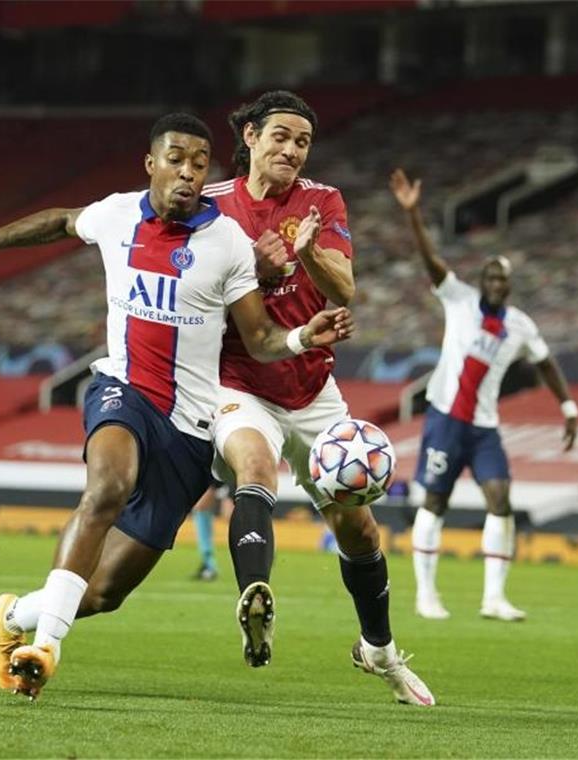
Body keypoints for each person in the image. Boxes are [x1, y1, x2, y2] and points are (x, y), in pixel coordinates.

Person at [0, 113, 354, 701]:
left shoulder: (226, 244)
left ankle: (16, 616)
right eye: (176, 159)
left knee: (104, 593)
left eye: (200, 163)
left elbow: (262, 340)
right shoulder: (118, 214)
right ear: (152, 164)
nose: (189, 172)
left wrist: (304, 337)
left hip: (191, 431)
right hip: (124, 390)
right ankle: (45, 649)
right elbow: (61, 222)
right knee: (107, 487)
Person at [202, 91, 434, 706]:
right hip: (239, 379)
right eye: (280, 136)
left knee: (357, 529)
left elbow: (346, 288)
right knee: (255, 468)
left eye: (302, 141)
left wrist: (306, 252)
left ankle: (378, 651)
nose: (292, 150)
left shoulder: (321, 201)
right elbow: (188, 294)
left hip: (310, 385)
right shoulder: (209, 208)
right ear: (250, 136)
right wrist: (249, 265)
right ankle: (256, 597)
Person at [389, 168, 578, 622]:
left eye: (502, 279)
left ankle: (494, 598)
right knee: (434, 502)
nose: (495, 283)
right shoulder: (458, 299)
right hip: (445, 419)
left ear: (508, 286)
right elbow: (430, 260)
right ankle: (426, 594)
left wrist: (568, 406)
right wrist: (413, 215)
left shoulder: (519, 323)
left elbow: (546, 362)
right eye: (490, 276)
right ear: (481, 279)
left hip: (484, 427)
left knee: (501, 499)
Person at [191, 481, 226, 581]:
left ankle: (209, 565)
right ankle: (208, 562)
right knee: (201, 509)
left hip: (216, 479)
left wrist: (216, 485)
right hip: (213, 479)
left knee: (201, 508)